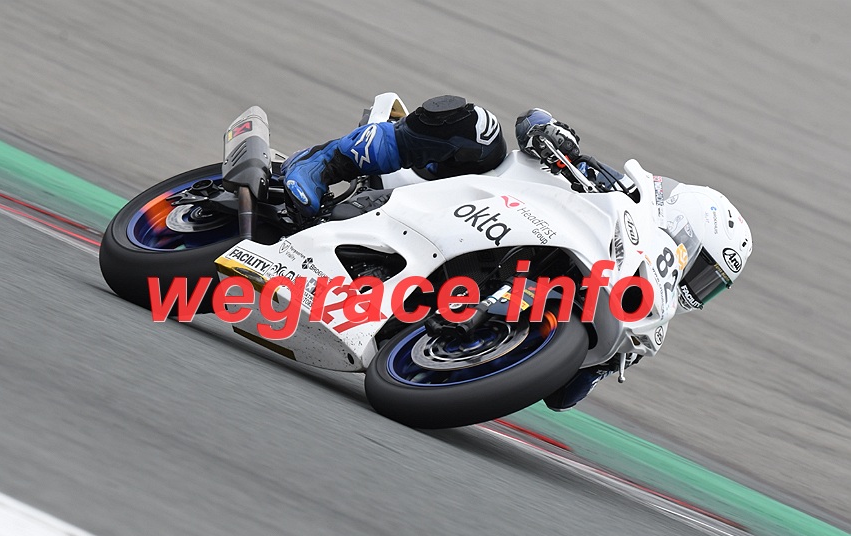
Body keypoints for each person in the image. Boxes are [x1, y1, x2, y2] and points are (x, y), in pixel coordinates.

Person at [281, 95, 752, 411]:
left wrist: (602, 361)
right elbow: (533, 120)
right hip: (461, 198)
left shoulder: (643, 319)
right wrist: (553, 137)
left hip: (464, 280)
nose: (696, 288)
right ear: (683, 227)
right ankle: (323, 163)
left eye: (710, 287)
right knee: (479, 128)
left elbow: (561, 397)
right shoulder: (615, 191)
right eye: (703, 270)